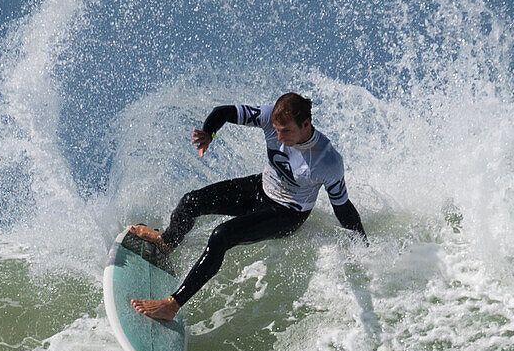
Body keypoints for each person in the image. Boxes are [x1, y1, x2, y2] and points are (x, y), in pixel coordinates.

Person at [131, 92, 367, 319]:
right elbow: (222, 112)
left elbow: (343, 207)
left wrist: (361, 245)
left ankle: (172, 305)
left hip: (287, 213)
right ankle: (167, 242)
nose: (279, 137)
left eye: (286, 131)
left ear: (306, 124)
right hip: (260, 188)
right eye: (276, 130)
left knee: (221, 235)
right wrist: (209, 133)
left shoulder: (327, 160)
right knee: (191, 201)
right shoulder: (270, 117)